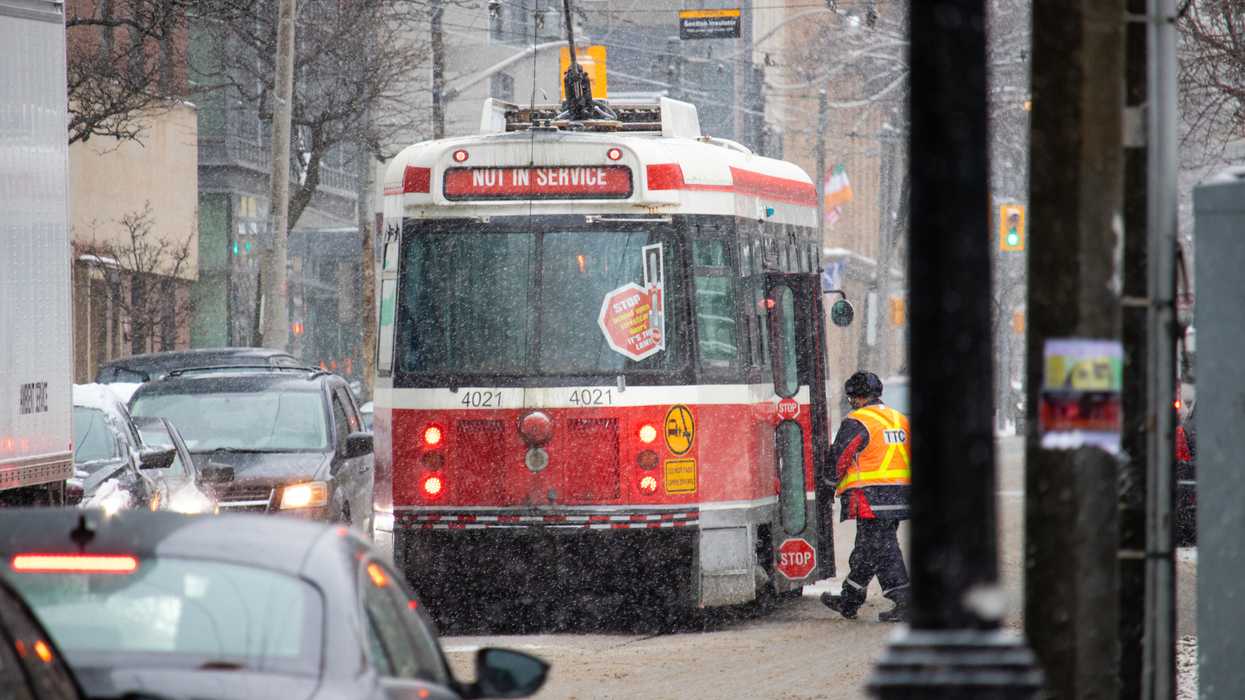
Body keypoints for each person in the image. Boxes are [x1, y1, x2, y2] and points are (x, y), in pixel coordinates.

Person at [821, 371, 912, 622]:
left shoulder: (858, 421)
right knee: (868, 549)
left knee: (882, 548)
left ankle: (904, 599)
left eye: (851, 397)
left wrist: (827, 485)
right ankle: (849, 600)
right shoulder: (898, 419)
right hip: (899, 495)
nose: (851, 402)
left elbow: (840, 456)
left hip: (871, 496)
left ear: (856, 397)